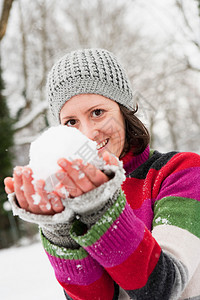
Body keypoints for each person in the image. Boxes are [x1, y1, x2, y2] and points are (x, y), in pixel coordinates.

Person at [4, 48, 200, 300]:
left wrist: (101, 211)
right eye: (71, 122)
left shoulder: (180, 171)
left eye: (97, 113)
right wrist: (60, 230)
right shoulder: (73, 196)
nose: (87, 133)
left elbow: (164, 287)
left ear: (124, 110)